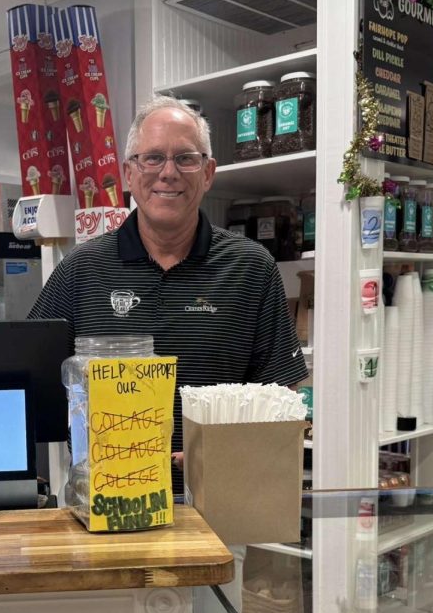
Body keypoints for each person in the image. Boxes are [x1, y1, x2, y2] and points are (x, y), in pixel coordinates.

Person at [28, 94, 306, 491]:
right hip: (106, 500)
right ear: (128, 173)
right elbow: (34, 383)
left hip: (218, 497)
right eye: (152, 157)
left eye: (186, 159)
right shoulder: (81, 269)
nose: (168, 172)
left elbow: (281, 394)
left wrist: (223, 449)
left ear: (208, 173)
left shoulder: (251, 267)